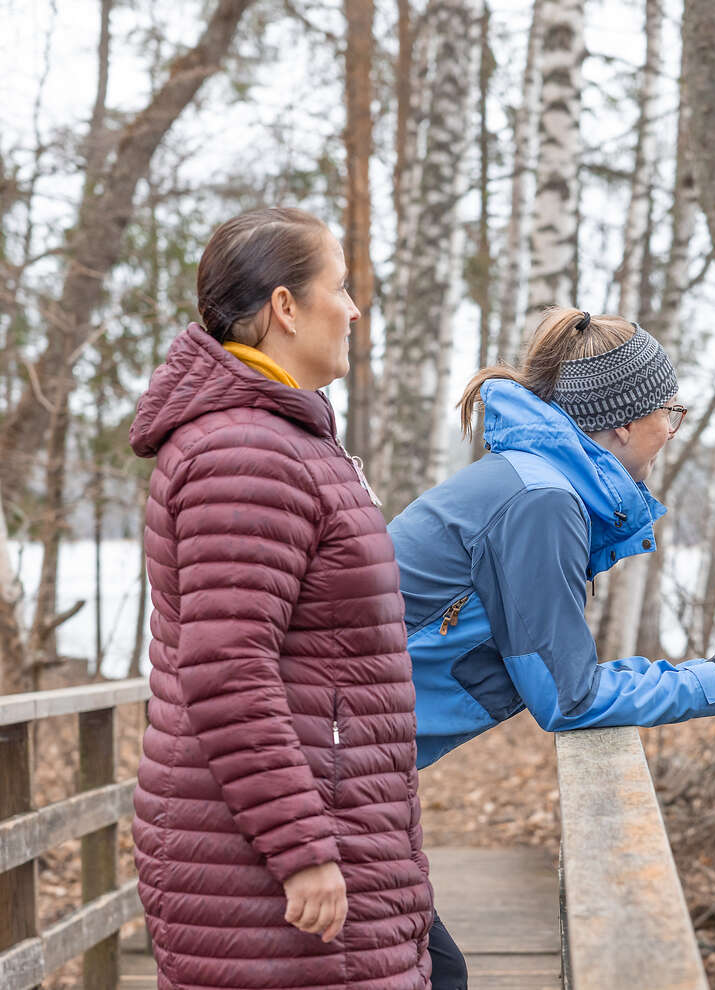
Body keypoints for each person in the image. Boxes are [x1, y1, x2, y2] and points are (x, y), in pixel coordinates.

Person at [387, 307, 715, 975]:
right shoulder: (541, 502)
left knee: (431, 970)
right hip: (328, 766)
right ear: (623, 422)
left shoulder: (530, 482)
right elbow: (570, 699)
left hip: (352, 765)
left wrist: (710, 671)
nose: (671, 430)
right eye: (669, 413)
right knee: (433, 973)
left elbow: (557, 672)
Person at [129, 207, 439, 990]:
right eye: (341, 288)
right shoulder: (246, 452)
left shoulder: (286, 439)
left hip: (323, 827)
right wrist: (301, 849)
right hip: (267, 858)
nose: (355, 310)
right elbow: (228, 669)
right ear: (285, 308)